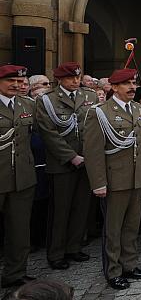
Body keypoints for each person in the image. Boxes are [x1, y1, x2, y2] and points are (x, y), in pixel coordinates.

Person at [83, 68, 141, 290]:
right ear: (114, 87)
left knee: (132, 226)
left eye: (133, 83)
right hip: (114, 180)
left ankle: (129, 265)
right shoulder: (99, 112)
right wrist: (98, 183)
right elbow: (93, 152)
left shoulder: (140, 110)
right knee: (113, 229)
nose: (132, 87)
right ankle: (113, 271)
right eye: (126, 84)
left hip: (137, 178)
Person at [34, 62, 96, 270]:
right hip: (61, 163)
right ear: (60, 79)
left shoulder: (89, 96)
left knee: (81, 207)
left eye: (78, 77)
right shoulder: (47, 100)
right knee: (60, 210)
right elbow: (49, 133)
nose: (75, 81)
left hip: (87, 160)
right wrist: (71, 156)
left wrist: (89, 155)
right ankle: (56, 253)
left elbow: (94, 128)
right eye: (71, 78)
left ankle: (74, 247)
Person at [0, 64, 37, 289]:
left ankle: (15, 273)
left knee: (20, 230)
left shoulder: (28, 104)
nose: (16, 85)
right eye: (10, 81)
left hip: (22, 176)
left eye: (19, 81)